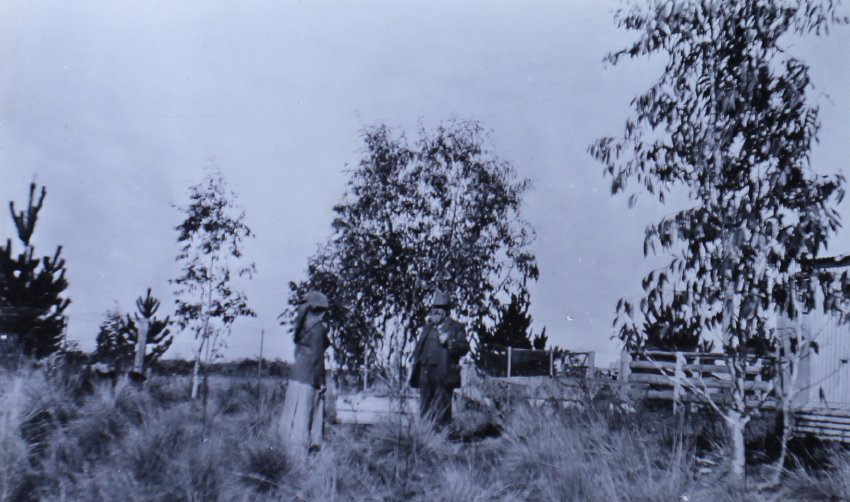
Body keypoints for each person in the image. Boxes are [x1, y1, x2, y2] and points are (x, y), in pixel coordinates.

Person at [278, 290, 330, 452]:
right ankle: (303, 450)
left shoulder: (301, 329)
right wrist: (322, 382)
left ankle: (286, 448)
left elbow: (299, 353)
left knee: (292, 413)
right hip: (310, 377)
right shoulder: (318, 329)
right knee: (306, 413)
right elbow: (317, 358)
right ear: (318, 311)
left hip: (296, 374)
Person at [409, 290, 469, 427]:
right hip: (425, 373)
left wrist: (450, 342)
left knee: (442, 410)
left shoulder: (456, 327)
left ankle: (443, 437)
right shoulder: (427, 327)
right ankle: (425, 435)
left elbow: (464, 347)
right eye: (434, 307)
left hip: (443, 374)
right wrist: (414, 362)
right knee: (425, 409)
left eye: (440, 308)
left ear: (447, 311)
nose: (436, 310)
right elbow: (419, 348)